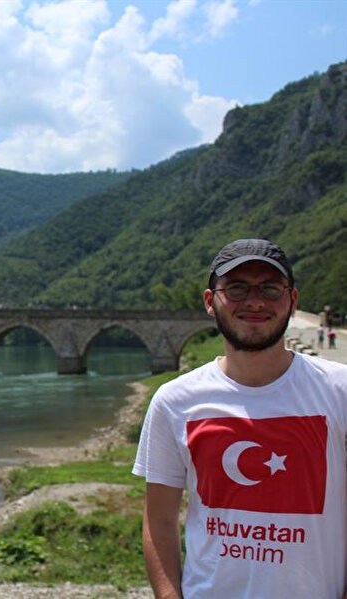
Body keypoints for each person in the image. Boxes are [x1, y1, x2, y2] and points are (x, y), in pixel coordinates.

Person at [133, 239, 347, 598]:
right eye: (236, 288)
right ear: (209, 301)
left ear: (292, 301)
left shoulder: (340, 391)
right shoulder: (174, 401)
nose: (255, 301)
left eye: (270, 288)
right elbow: (159, 520)